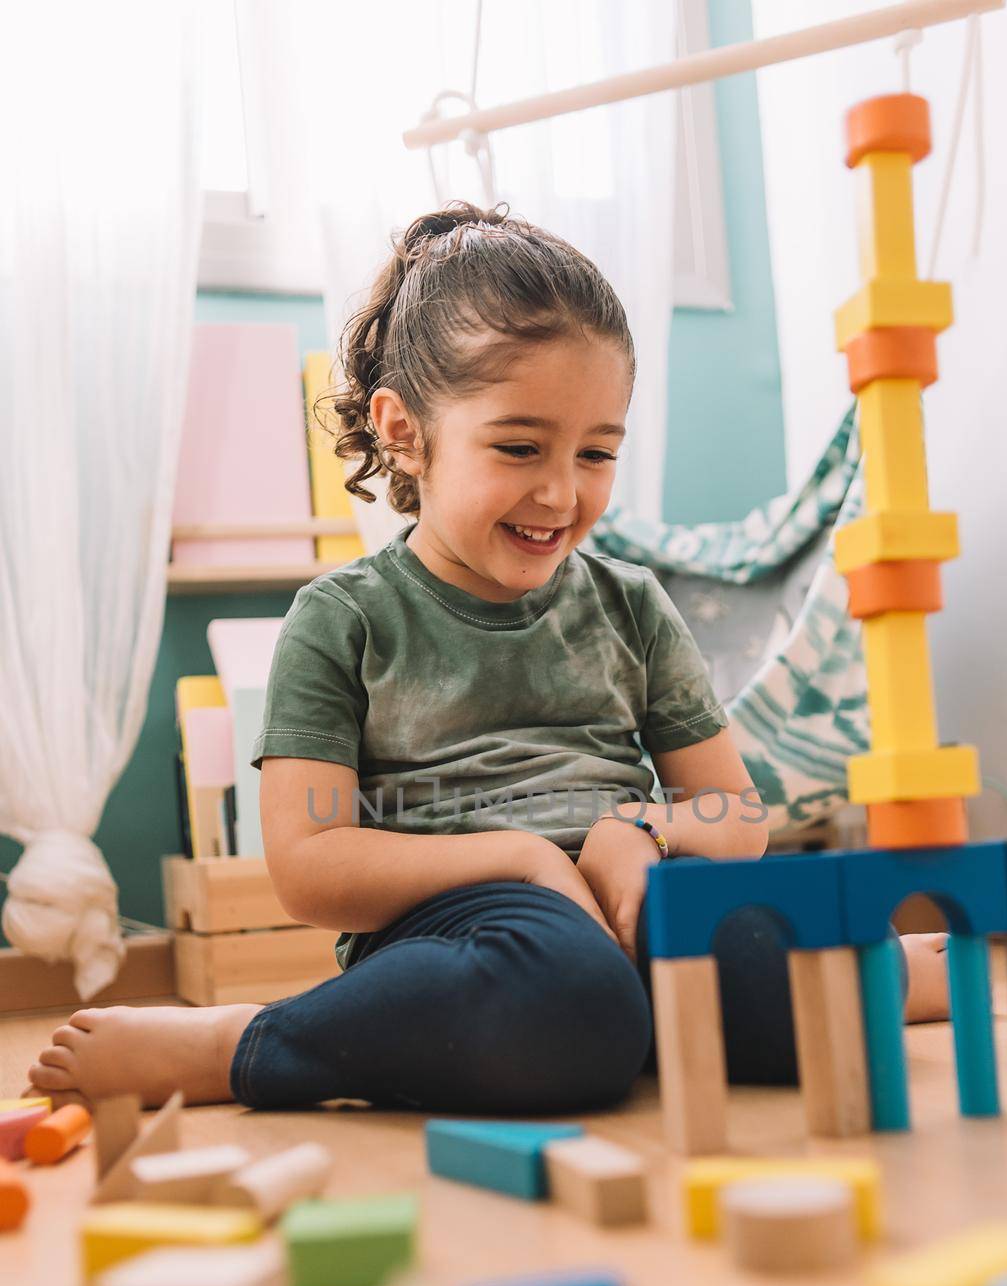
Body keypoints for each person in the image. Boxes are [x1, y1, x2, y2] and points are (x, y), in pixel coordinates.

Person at [29, 201, 948, 1113]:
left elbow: (737, 813)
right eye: (518, 447)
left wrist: (644, 830)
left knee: (792, 974)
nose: (561, 491)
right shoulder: (343, 618)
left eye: (597, 453)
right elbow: (309, 867)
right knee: (573, 1004)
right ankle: (259, 1040)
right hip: (467, 926)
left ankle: (854, 979)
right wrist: (518, 859)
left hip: (638, 890)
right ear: (404, 433)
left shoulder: (630, 603)